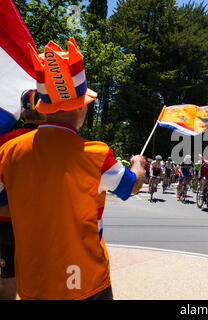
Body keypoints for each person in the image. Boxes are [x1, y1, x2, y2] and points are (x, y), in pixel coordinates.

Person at [0, 38, 146, 300]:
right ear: (79, 107)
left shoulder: (9, 151)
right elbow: (131, 186)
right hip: (85, 281)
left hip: (34, 282)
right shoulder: (97, 155)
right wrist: (138, 164)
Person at [0, 89, 46, 300]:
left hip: (5, 223)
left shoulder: (4, 141)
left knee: (7, 282)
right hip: (43, 226)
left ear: (22, 112)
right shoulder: (62, 143)